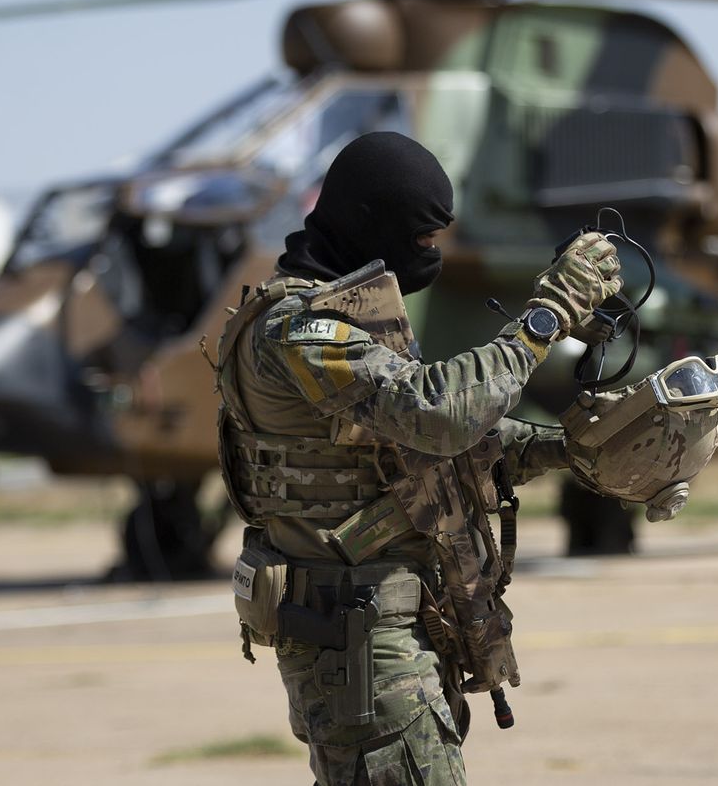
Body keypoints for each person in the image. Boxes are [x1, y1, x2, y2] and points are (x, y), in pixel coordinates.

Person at [212, 131, 622, 785]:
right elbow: (437, 413)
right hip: (361, 646)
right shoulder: (298, 329)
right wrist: (548, 316)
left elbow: (435, 452)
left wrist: (568, 447)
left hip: (386, 634)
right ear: (371, 221)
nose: (432, 253)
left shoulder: (348, 318)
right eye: (421, 238)